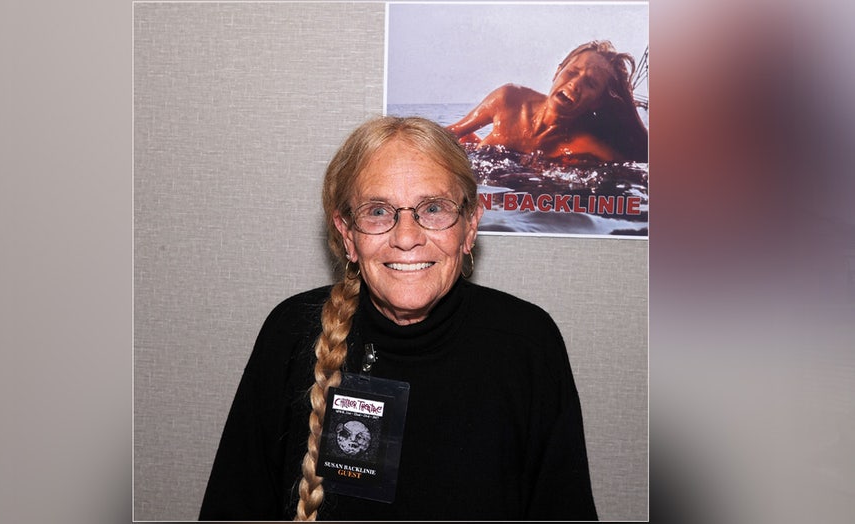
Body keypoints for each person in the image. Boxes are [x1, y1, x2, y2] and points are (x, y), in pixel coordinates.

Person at [199, 116, 597, 521]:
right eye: (377, 211)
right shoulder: (291, 334)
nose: (406, 237)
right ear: (347, 234)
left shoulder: (527, 344)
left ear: (470, 225)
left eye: (434, 208)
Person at [447, 40, 648, 163]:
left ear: (596, 102)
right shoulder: (508, 100)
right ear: (557, 71)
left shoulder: (586, 146)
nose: (575, 84)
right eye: (572, 72)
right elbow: (450, 134)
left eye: (591, 84)